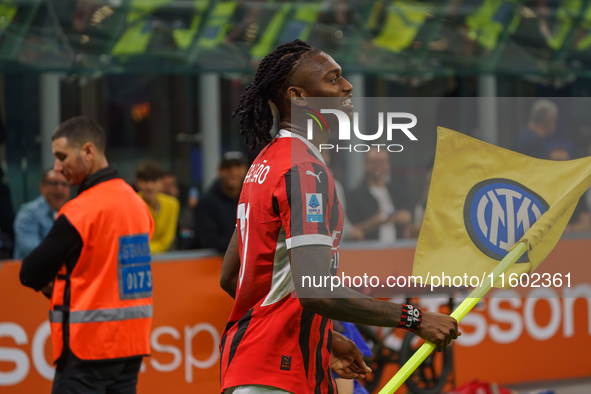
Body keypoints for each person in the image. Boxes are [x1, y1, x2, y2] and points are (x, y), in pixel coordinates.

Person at [219, 39, 460, 394]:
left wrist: (320, 335)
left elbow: (232, 278)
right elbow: (317, 291)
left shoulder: (267, 162)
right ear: (299, 97)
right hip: (278, 376)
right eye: (333, 80)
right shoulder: (303, 170)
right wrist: (415, 318)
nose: (347, 87)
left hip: (256, 368)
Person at [19, 116, 154, 393]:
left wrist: (53, 285)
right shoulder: (137, 204)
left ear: (88, 152)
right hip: (131, 346)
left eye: (61, 156)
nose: (57, 167)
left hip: (88, 350)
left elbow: (29, 272)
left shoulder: (80, 211)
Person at [347, 148, 413, 242]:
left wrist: (401, 217)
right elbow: (352, 229)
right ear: (366, 164)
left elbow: (408, 216)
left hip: (397, 249)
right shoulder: (355, 195)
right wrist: (375, 222)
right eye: (374, 161)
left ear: (388, 164)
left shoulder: (397, 192)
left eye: (382, 161)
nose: (378, 165)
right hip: (368, 251)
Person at [192, 151, 248, 252]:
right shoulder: (206, 202)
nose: (233, 172)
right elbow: (208, 241)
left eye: (238, 167)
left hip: (246, 262)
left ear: (245, 170)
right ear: (219, 170)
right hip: (212, 264)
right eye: (228, 168)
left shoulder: (251, 199)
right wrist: (247, 243)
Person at [13, 168, 71, 259]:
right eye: (54, 183)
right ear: (41, 187)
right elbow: (34, 253)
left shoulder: (71, 213)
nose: (60, 188)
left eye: (64, 184)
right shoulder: (28, 213)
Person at [135, 161, 180, 253]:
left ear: (161, 182)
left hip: (163, 260)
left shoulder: (172, 204)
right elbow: (135, 243)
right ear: (138, 183)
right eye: (145, 181)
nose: (150, 186)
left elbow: (167, 240)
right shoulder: (131, 205)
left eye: (154, 181)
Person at [549, 147, 591, 233]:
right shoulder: (540, 190)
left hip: (568, 240)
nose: (561, 166)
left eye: (565, 162)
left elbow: (586, 223)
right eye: (557, 161)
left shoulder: (577, 190)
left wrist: (567, 229)